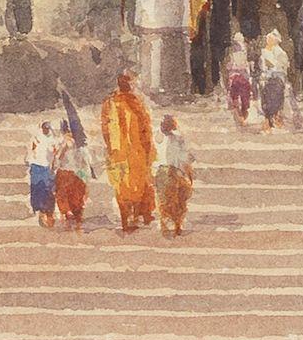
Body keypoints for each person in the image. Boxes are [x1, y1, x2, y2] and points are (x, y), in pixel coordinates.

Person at [102, 68, 157, 233]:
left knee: (122, 187)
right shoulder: (135, 102)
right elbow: (145, 128)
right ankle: (132, 217)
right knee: (136, 185)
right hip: (134, 152)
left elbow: (105, 129)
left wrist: (110, 148)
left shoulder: (110, 103)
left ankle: (127, 219)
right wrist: (148, 149)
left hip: (119, 153)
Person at [153, 113, 195, 236]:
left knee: (169, 200)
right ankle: (171, 224)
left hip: (168, 172)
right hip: (170, 172)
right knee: (174, 200)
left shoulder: (171, 138)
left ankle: (170, 224)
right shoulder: (162, 138)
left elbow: (185, 157)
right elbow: (185, 157)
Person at [51, 120, 90, 232]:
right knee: (70, 197)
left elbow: (58, 158)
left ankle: (72, 218)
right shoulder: (71, 144)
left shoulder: (71, 144)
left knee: (71, 197)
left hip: (70, 174)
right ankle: (71, 217)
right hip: (70, 173)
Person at [257, 28, 294, 131]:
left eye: (270, 39)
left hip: (277, 78)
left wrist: (273, 68)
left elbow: (284, 67)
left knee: (276, 99)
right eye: (268, 39)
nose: (268, 41)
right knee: (266, 98)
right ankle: (268, 120)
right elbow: (262, 66)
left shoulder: (281, 52)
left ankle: (274, 118)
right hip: (267, 79)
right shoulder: (264, 52)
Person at [27, 122, 57, 227]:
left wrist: (53, 167)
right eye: (44, 128)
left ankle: (48, 213)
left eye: (47, 128)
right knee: (37, 189)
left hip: (47, 168)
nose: (46, 130)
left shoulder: (52, 139)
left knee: (48, 191)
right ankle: (40, 212)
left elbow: (54, 154)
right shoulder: (36, 137)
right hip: (37, 166)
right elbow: (31, 151)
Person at [223, 31, 254, 126]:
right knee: (241, 98)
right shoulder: (236, 52)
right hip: (240, 77)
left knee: (237, 98)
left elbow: (229, 67)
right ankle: (242, 117)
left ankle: (241, 117)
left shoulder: (233, 52)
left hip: (239, 77)